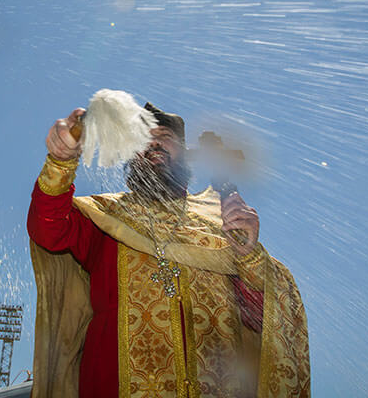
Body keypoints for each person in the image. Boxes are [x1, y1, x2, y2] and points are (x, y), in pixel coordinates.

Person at [28, 103, 309, 398]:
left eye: (164, 135)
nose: (153, 142)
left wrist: (250, 258)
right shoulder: (104, 215)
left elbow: (260, 320)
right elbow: (48, 229)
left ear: (185, 153)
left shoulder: (221, 225)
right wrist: (60, 162)